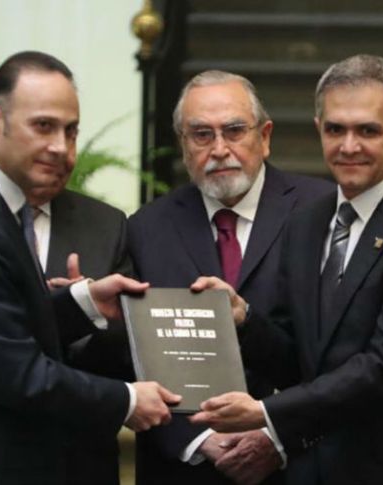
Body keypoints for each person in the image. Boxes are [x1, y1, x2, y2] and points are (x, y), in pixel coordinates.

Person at [189, 54, 383, 485]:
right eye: (335, 129)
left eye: (367, 130)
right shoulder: (306, 221)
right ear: (318, 130)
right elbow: (301, 358)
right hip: (319, 469)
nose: (348, 146)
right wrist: (244, 319)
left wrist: (266, 412)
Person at [0, 51, 181, 485]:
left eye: (71, 131)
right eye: (43, 126)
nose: (61, 147)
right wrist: (126, 400)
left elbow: (7, 324)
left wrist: (81, 301)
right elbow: (22, 375)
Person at [126, 70, 333, 484]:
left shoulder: (322, 212)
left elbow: (339, 354)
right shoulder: (145, 228)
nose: (220, 149)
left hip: (295, 463)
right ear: (183, 145)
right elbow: (130, 358)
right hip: (182, 466)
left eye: (234, 130)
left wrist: (276, 436)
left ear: (265, 135)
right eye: (201, 135)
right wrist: (198, 439)